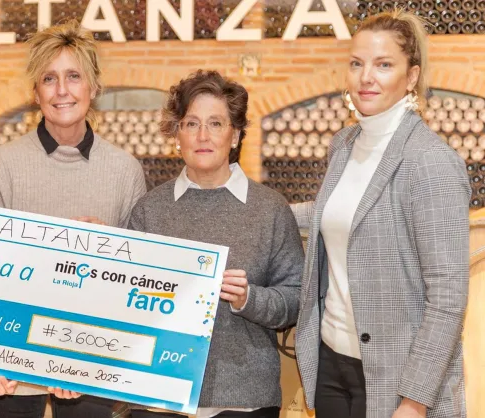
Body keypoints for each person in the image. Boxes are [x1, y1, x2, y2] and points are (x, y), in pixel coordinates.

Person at [292, 10, 469, 418]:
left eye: (383, 65)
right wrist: (256, 209)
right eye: (357, 63)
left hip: (398, 380)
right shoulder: (343, 144)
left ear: (411, 77)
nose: (366, 77)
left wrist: (414, 401)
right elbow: (332, 213)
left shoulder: (430, 161)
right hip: (331, 364)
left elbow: (448, 298)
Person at [0, 20, 147, 418]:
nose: (62, 90)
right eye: (49, 79)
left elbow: (134, 284)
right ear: (35, 92)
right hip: (10, 364)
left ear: (94, 87)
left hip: (91, 363)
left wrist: (109, 249)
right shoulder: (2, 166)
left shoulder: (125, 171)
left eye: (74, 76)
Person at [127, 70, 304, 418]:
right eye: (191, 124)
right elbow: (125, 301)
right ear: (176, 133)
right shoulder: (150, 210)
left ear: (234, 135)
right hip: (158, 396)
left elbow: (296, 298)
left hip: (244, 399)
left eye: (216, 124)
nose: (203, 136)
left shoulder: (269, 209)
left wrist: (248, 299)